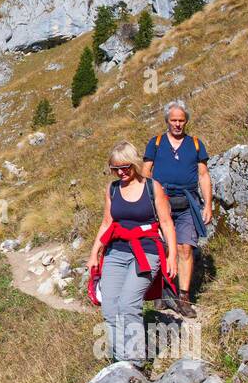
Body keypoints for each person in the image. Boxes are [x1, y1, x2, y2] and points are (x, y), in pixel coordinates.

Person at [87, 142, 178, 366]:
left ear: (134, 164)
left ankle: (136, 363)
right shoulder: (112, 189)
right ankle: (120, 361)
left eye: (125, 167)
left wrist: (172, 256)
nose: (121, 173)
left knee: (128, 304)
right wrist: (94, 253)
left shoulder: (152, 187)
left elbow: (166, 222)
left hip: (146, 251)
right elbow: (107, 222)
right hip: (116, 251)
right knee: (110, 307)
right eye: (115, 169)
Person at [142, 100, 212, 318]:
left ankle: (183, 298)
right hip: (160, 204)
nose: (178, 124)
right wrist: (145, 202)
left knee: (185, 249)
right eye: (174, 120)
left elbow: (203, 175)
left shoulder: (196, 144)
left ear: (186, 121)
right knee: (161, 248)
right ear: (167, 120)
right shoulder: (156, 143)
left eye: (181, 120)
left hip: (187, 203)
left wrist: (208, 204)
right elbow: (145, 174)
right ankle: (162, 293)